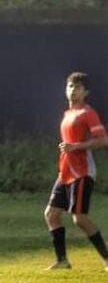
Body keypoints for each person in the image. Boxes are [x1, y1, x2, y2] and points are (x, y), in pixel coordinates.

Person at [44, 72, 108, 271]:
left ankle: (107, 259)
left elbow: (102, 140)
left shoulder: (87, 113)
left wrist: (76, 146)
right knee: (51, 214)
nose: (73, 90)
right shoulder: (67, 114)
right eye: (70, 86)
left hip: (82, 172)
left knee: (79, 218)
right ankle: (62, 261)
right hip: (65, 172)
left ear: (86, 92)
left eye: (78, 87)